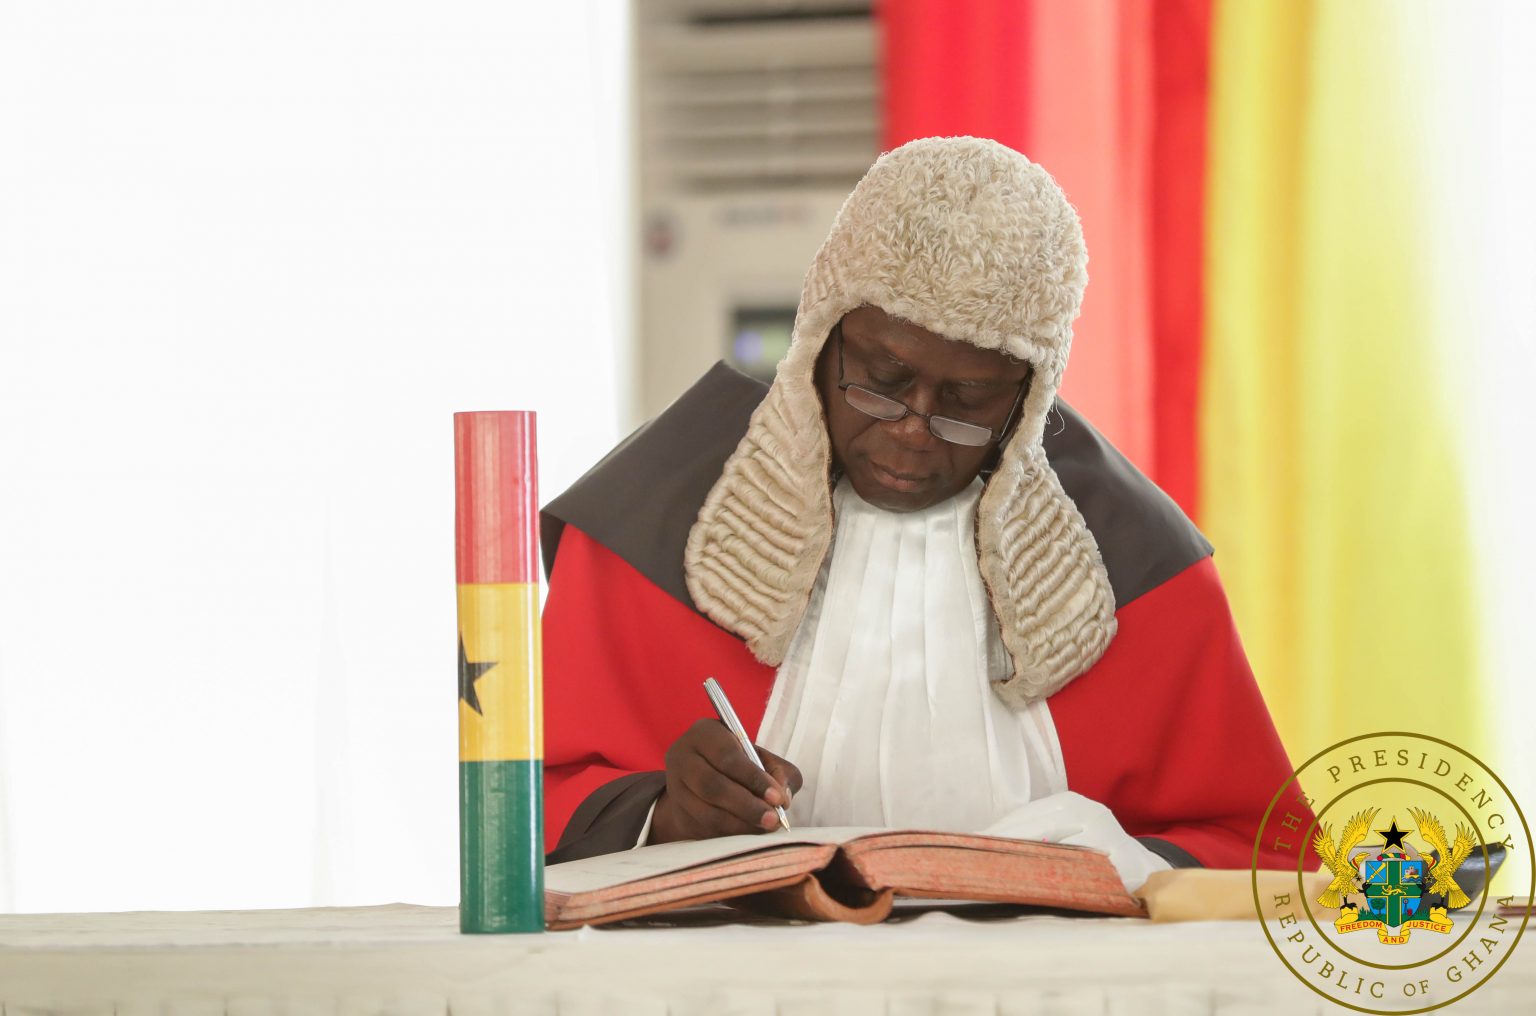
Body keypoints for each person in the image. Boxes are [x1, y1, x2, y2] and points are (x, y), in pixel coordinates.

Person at [537, 137, 1304, 887]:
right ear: (821, 338)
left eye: (969, 401)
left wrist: (1135, 863)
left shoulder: (1128, 554)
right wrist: (665, 815)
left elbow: (1268, 852)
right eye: (882, 376)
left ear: (1029, 399)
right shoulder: (661, 506)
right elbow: (524, 805)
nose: (913, 427)